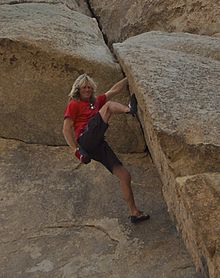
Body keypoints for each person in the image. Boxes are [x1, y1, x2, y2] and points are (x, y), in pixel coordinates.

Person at [63, 73, 150, 224]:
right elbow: (66, 129)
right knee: (108, 107)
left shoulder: (95, 101)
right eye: (84, 87)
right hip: (85, 138)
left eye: (90, 87)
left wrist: (129, 75)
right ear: (78, 89)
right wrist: (75, 149)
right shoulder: (74, 104)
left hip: (97, 144)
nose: (87, 90)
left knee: (125, 176)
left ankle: (134, 213)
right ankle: (130, 110)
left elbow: (113, 90)